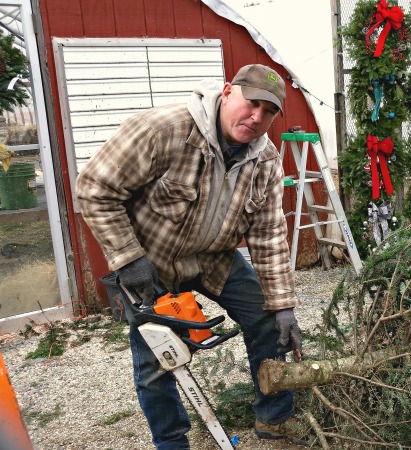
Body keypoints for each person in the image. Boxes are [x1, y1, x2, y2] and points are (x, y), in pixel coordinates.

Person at [76, 64, 308, 449]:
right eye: (252, 104)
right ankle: (172, 442)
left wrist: (283, 304)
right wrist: (128, 258)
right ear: (228, 91)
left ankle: (275, 417)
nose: (257, 118)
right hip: (152, 261)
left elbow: (268, 235)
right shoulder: (163, 130)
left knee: (267, 318)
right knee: (156, 356)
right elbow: (94, 189)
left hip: (214, 258)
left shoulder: (264, 159)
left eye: (269, 112)